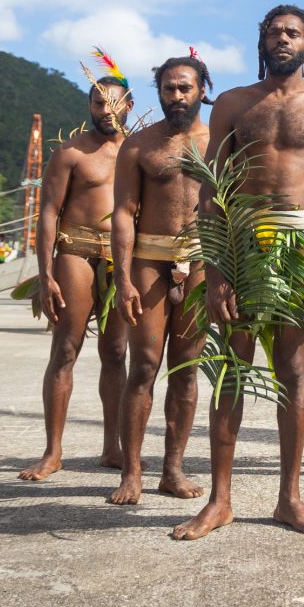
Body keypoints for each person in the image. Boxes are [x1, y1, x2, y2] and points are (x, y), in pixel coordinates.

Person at [171, 5, 304, 540]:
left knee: (291, 369)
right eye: (273, 32)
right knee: (232, 367)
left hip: (300, 242)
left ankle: (288, 498)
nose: (282, 39)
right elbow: (209, 190)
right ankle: (220, 501)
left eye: (292, 33)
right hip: (242, 242)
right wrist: (217, 266)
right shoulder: (231, 104)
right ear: (262, 42)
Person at [19, 67, 133, 481]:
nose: (106, 109)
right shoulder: (71, 153)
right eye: (98, 102)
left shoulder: (137, 153)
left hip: (121, 257)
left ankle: (113, 447)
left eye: (114, 101)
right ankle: (53, 452)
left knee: (116, 353)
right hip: (76, 252)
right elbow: (48, 213)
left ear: (129, 105)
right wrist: (45, 274)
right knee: (65, 350)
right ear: (89, 106)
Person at [107, 54, 212, 505]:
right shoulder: (140, 146)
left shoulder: (220, 142)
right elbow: (123, 215)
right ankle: (132, 473)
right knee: (144, 366)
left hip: (203, 262)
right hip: (149, 259)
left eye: (185, 88)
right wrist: (124, 279)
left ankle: (173, 468)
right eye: (169, 89)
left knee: (186, 371)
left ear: (203, 90)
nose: (177, 96)